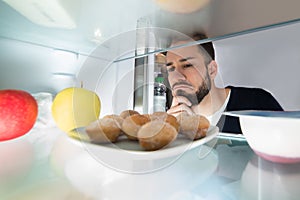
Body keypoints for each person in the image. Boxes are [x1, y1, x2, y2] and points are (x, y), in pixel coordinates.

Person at [165, 33, 283, 134]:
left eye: (187, 65)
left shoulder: (258, 103)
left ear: (212, 70)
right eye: (171, 69)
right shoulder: (170, 122)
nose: (177, 77)